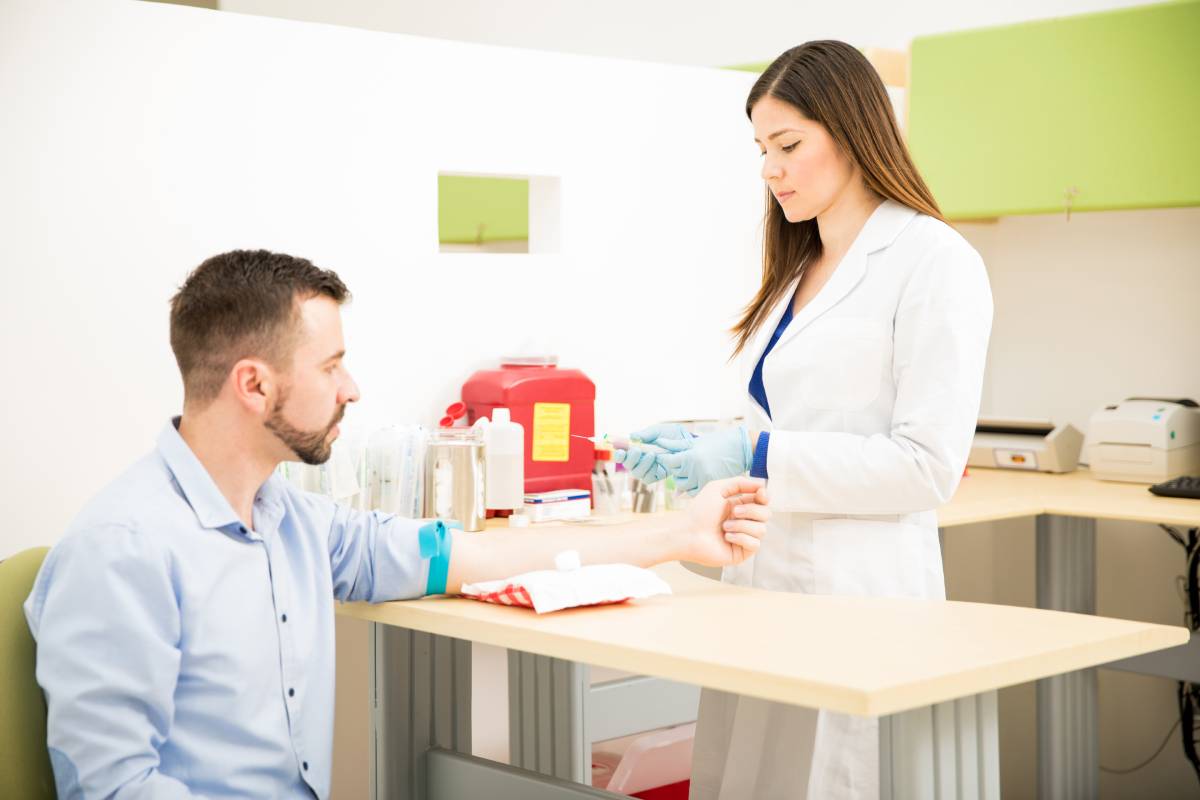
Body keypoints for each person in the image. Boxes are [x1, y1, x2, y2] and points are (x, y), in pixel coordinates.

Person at [24, 249, 770, 799]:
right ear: (253, 384)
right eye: (331, 366)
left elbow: (479, 555)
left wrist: (680, 534)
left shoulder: (295, 523)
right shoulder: (124, 551)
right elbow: (113, 788)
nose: (352, 388)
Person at [617, 41, 993, 799]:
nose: (769, 169)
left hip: (860, 597)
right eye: (761, 149)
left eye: (788, 146)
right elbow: (791, 416)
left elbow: (926, 467)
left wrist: (753, 455)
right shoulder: (796, 267)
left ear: (852, 132)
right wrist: (709, 446)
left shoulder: (933, 261)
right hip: (764, 590)